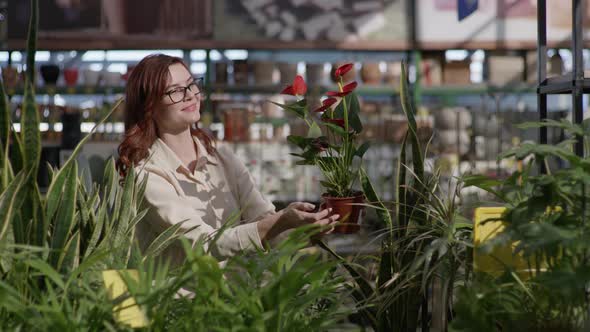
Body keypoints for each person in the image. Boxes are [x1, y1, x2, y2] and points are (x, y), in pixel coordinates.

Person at [116, 54, 339, 266]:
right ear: (150, 106)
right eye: (174, 91)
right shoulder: (146, 172)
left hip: (235, 299)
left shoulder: (221, 156)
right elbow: (200, 244)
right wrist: (278, 222)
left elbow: (264, 227)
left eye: (191, 84)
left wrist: (305, 230)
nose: (190, 94)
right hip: (182, 303)